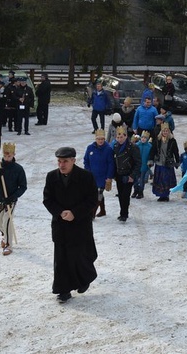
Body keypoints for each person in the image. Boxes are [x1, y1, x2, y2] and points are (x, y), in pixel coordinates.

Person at [43, 147, 98, 304]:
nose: (62, 165)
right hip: (60, 225)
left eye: (65, 161)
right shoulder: (51, 177)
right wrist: (60, 212)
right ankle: (63, 290)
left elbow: (92, 200)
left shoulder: (86, 177)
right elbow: (47, 199)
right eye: (59, 161)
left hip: (80, 225)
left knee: (80, 256)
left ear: (74, 160)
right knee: (61, 260)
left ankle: (84, 279)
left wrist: (75, 213)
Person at [0, 142, 27, 256]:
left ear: (14, 154)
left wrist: (13, 197)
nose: (7, 157)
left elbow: (23, 186)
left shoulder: (18, 169)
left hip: (10, 200)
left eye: (9, 155)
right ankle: (5, 236)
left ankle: (8, 245)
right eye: (5, 155)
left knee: (7, 222)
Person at [110, 126, 141, 222]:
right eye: (118, 137)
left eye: (122, 137)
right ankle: (122, 212)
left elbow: (138, 162)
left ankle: (124, 214)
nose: (120, 139)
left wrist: (132, 175)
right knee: (120, 194)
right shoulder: (115, 147)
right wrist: (113, 174)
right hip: (119, 174)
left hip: (128, 174)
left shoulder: (133, 147)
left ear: (126, 136)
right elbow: (113, 161)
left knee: (125, 195)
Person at [83, 129, 115, 219]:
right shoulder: (90, 148)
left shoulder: (108, 149)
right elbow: (86, 160)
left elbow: (111, 164)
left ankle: (92, 214)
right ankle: (103, 210)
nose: (100, 141)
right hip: (92, 177)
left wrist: (109, 177)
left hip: (103, 177)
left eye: (102, 139)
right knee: (96, 194)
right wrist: (88, 172)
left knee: (98, 195)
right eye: (99, 139)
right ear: (96, 139)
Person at [149, 123, 180, 201]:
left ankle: (166, 195)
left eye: (167, 131)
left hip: (168, 163)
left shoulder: (172, 141)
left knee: (166, 180)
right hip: (159, 162)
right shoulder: (157, 140)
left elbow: (176, 151)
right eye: (164, 131)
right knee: (160, 180)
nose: (165, 132)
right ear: (161, 132)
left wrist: (177, 161)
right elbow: (153, 150)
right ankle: (161, 195)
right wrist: (151, 159)